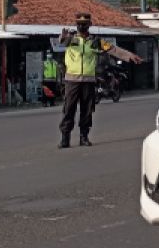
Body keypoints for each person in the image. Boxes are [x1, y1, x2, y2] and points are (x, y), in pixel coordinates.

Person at [57, 12, 143, 148]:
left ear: (89, 25)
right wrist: (63, 36)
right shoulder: (71, 39)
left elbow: (113, 49)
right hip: (72, 80)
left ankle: (83, 137)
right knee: (69, 109)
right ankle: (65, 138)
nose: (81, 26)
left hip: (89, 81)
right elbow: (62, 41)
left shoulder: (96, 41)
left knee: (87, 110)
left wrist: (129, 56)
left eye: (84, 24)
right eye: (79, 24)